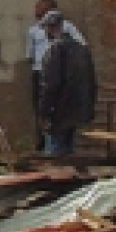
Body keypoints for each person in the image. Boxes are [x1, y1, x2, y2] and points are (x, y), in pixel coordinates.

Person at [26, 0, 85, 149]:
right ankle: (43, 140)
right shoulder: (33, 30)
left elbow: (81, 46)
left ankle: (54, 146)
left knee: (57, 110)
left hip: (60, 73)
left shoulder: (68, 30)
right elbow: (30, 56)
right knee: (41, 108)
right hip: (41, 72)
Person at [37, 11, 97, 156]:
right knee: (68, 150)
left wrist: (44, 112)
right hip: (78, 109)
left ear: (49, 28)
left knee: (55, 153)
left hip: (59, 110)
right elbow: (91, 81)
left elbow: (51, 84)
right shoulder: (82, 49)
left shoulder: (54, 50)